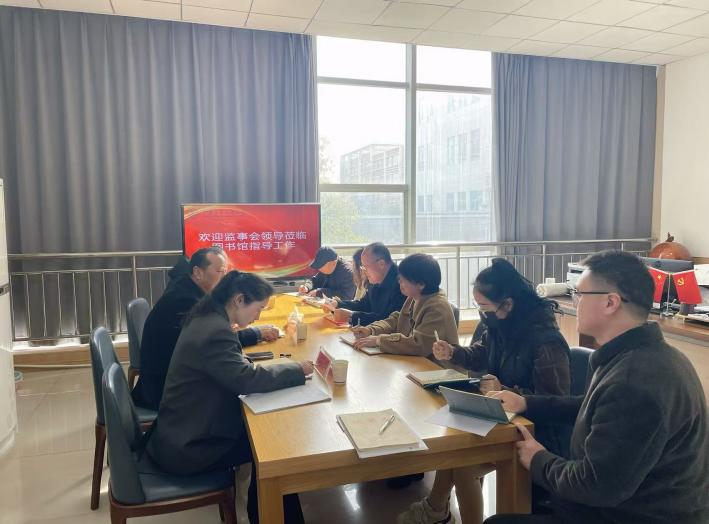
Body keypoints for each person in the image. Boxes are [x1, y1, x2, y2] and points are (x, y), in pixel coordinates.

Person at [484, 250, 709, 524]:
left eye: (579, 294)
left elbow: (594, 486)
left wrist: (539, 459)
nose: (574, 302)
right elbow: (595, 406)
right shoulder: (647, 355)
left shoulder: (634, 381)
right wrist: (525, 402)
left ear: (610, 302)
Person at [398, 258, 570, 524]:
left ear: (507, 304)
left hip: (534, 432)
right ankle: (436, 510)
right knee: (454, 449)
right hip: (501, 416)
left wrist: (508, 390)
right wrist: (453, 352)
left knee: (463, 465)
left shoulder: (546, 341)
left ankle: (438, 511)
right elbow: (481, 354)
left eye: (484, 307)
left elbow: (555, 401)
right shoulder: (502, 325)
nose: (481, 313)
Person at [147, 271, 313, 523]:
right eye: (258, 308)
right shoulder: (215, 330)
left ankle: (267, 513)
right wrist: (296, 369)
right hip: (191, 445)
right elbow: (245, 379)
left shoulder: (208, 316)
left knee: (268, 438)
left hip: (183, 427)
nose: (258, 316)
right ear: (238, 300)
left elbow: (233, 367)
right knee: (274, 451)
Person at [132, 247, 279, 411]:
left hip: (174, 382)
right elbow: (215, 340)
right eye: (219, 271)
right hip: (163, 391)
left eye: (225, 271)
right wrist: (255, 334)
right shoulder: (184, 300)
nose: (224, 278)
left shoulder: (189, 290)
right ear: (198, 272)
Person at [352, 253, 458, 357]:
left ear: (421, 284)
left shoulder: (437, 308)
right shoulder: (414, 297)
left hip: (434, 366)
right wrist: (371, 330)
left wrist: (379, 340)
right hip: (415, 363)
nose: (399, 282)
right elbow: (396, 320)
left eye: (404, 279)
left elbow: (419, 345)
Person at [323, 242, 405, 326]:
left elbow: (388, 322)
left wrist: (351, 316)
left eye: (365, 267)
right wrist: (338, 304)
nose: (364, 271)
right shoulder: (376, 278)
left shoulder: (402, 284)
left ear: (381, 264)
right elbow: (364, 305)